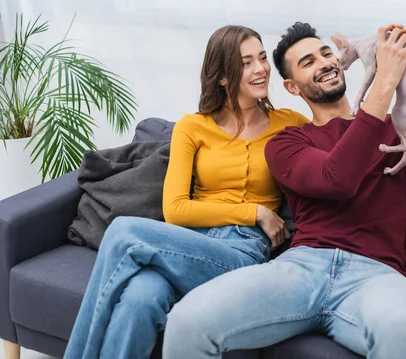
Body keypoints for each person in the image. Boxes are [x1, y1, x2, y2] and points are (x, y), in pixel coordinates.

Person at [162, 22, 406, 359]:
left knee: (399, 328)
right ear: (292, 87)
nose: (324, 62)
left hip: (378, 275)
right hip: (302, 269)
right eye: (308, 62)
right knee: (187, 321)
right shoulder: (286, 142)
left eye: (327, 54)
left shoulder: (395, 130)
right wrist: (384, 84)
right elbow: (337, 179)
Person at [63, 25, 309, 359]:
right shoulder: (193, 127)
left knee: (123, 231)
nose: (261, 68)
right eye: (247, 62)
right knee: (140, 297)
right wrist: (254, 211)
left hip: (242, 252)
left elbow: (338, 138)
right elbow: (176, 209)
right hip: (190, 243)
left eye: (262, 58)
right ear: (222, 76)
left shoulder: (289, 123)